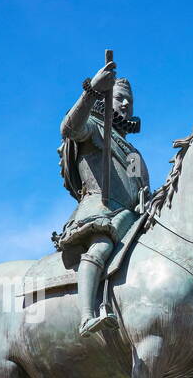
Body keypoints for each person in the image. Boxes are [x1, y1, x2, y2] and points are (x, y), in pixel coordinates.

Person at [53, 58, 151, 336]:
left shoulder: (132, 152)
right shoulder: (94, 128)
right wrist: (92, 91)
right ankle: (86, 316)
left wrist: (147, 200)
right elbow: (69, 129)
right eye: (119, 98)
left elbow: (137, 185)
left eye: (128, 101)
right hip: (101, 210)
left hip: (131, 217)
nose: (125, 105)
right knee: (101, 247)